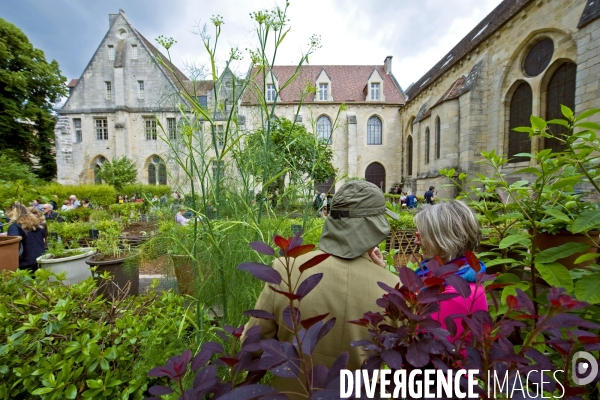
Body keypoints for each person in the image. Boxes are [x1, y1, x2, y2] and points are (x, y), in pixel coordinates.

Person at [244, 180, 400, 397]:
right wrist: (381, 274)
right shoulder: (393, 289)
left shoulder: (285, 269)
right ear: (374, 227)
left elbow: (251, 344)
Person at [413, 200, 488, 342]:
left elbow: (415, 337)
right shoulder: (460, 274)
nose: (417, 241)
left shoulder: (455, 294)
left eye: (422, 235)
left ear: (443, 241)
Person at [7, 205, 47, 273]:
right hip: (41, 258)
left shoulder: (15, 227)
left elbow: (13, 244)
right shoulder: (37, 224)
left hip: (25, 261)